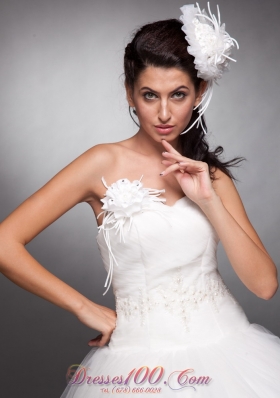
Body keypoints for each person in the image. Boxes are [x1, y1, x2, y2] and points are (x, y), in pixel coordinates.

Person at [0, 3, 280, 397]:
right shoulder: (101, 162)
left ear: (200, 92)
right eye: (150, 95)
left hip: (230, 351)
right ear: (130, 94)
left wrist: (208, 201)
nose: (164, 113)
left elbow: (265, 286)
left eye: (178, 95)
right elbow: (4, 243)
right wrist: (83, 307)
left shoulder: (210, 176)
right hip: (137, 364)